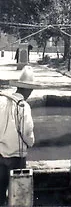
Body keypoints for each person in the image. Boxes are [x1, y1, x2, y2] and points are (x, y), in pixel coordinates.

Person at [0, 66, 36, 206]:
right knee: (18, 193)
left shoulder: (2, 101)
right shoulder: (23, 106)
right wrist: (31, 142)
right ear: (29, 90)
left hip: (0, 154)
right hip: (16, 156)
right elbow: (27, 132)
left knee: (0, 191)